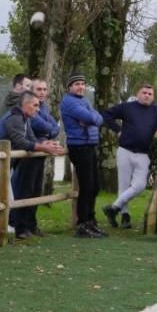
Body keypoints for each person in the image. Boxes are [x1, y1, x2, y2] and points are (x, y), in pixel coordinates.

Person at [0, 91, 64, 241]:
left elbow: (31, 139)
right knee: (6, 198)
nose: (38, 109)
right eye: (35, 105)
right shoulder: (14, 118)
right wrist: (44, 148)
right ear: (26, 105)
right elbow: (21, 142)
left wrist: (45, 144)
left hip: (5, 163)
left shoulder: (25, 119)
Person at [101, 83, 157, 229]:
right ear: (138, 94)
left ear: (153, 96)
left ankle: (113, 208)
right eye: (144, 93)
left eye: (150, 94)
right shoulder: (127, 107)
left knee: (140, 185)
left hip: (143, 154)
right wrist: (117, 130)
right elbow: (106, 115)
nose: (147, 96)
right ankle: (125, 216)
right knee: (123, 185)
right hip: (125, 151)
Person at [60, 74, 106, 238]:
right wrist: (90, 118)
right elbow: (90, 117)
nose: (81, 87)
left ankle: (91, 221)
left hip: (90, 145)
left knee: (94, 186)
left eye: (83, 84)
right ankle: (82, 224)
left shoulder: (85, 101)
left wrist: (91, 119)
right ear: (69, 87)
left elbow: (99, 118)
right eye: (77, 84)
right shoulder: (69, 102)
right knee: (86, 187)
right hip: (79, 146)